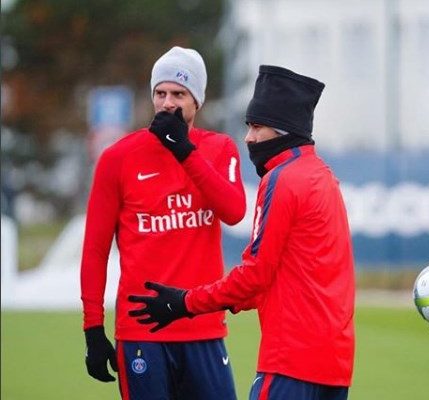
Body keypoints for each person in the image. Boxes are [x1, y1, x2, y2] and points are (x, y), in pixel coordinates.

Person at [128, 65, 356, 400]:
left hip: (290, 362)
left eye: (256, 126)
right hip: (335, 365)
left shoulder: (281, 179)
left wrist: (184, 303)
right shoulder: (324, 176)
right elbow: (283, 277)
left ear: (283, 130)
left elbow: (255, 275)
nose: (248, 138)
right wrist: (218, 301)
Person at [80, 46, 246, 399]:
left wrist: (184, 151)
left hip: (202, 327)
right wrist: (93, 328)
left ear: (196, 101)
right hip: (142, 332)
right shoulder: (117, 158)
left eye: (179, 94)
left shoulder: (219, 148)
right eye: (160, 93)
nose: (168, 103)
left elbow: (234, 211)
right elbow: (95, 250)